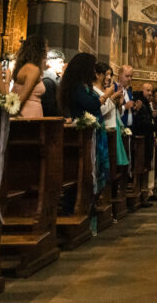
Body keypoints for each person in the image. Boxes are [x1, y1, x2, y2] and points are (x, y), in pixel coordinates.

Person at [57, 53, 110, 215]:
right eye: (92, 68)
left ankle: (86, 204)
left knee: (87, 170)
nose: (94, 72)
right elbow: (91, 104)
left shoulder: (76, 85)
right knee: (83, 171)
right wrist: (107, 95)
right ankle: (78, 207)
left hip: (86, 132)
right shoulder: (77, 87)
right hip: (82, 134)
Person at [11, 35, 47, 118]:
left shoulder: (23, 67)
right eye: (45, 47)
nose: (47, 50)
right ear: (39, 50)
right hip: (30, 114)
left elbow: (14, 93)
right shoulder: (33, 69)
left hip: (26, 112)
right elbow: (23, 97)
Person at [41, 49, 65, 117]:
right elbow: (48, 106)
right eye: (60, 62)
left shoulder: (57, 78)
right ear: (50, 63)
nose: (63, 65)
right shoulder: (47, 80)